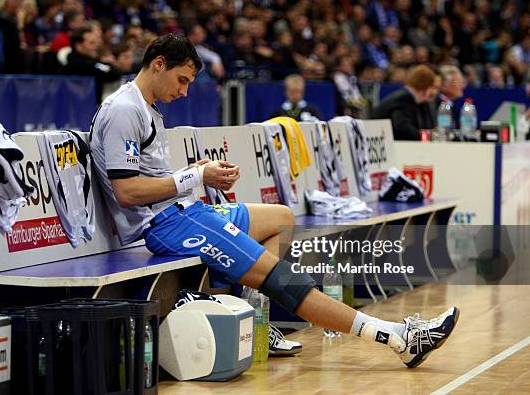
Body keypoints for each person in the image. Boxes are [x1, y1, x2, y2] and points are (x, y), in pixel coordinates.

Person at [89, 34, 459, 368]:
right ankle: (398, 338)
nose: (185, 92)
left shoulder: (144, 106)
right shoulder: (125, 109)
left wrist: (192, 173)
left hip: (182, 210)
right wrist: (195, 177)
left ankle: (253, 321)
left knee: (281, 217)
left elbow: (147, 180)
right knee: (283, 277)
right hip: (165, 224)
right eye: (182, 80)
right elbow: (128, 192)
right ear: (158, 64)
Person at [371, 65, 437, 140]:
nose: (434, 92)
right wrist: (428, 136)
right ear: (425, 87)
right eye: (432, 88)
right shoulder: (404, 99)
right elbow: (403, 130)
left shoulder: (412, 99)